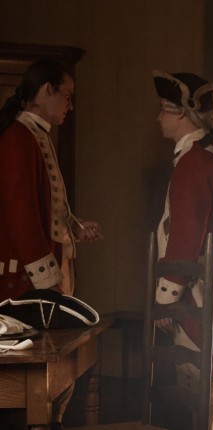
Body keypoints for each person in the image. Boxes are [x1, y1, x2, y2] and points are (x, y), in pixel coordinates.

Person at [0, 59, 104, 429]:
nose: (70, 105)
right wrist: (48, 284)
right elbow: (21, 216)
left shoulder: (37, 134)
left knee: (62, 376)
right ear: (47, 91)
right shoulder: (17, 137)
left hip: (54, 265)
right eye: (67, 96)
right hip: (27, 277)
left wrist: (73, 227)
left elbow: (48, 206)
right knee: (40, 378)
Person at [152, 70, 213, 430]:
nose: (158, 117)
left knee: (196, 373)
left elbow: (185, 236)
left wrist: (165, 298)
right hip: (208, 281)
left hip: (196, 287)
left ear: (182, 113)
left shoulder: (194, 162)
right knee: (200, 373)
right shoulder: (201, 156)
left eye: (164, 109)